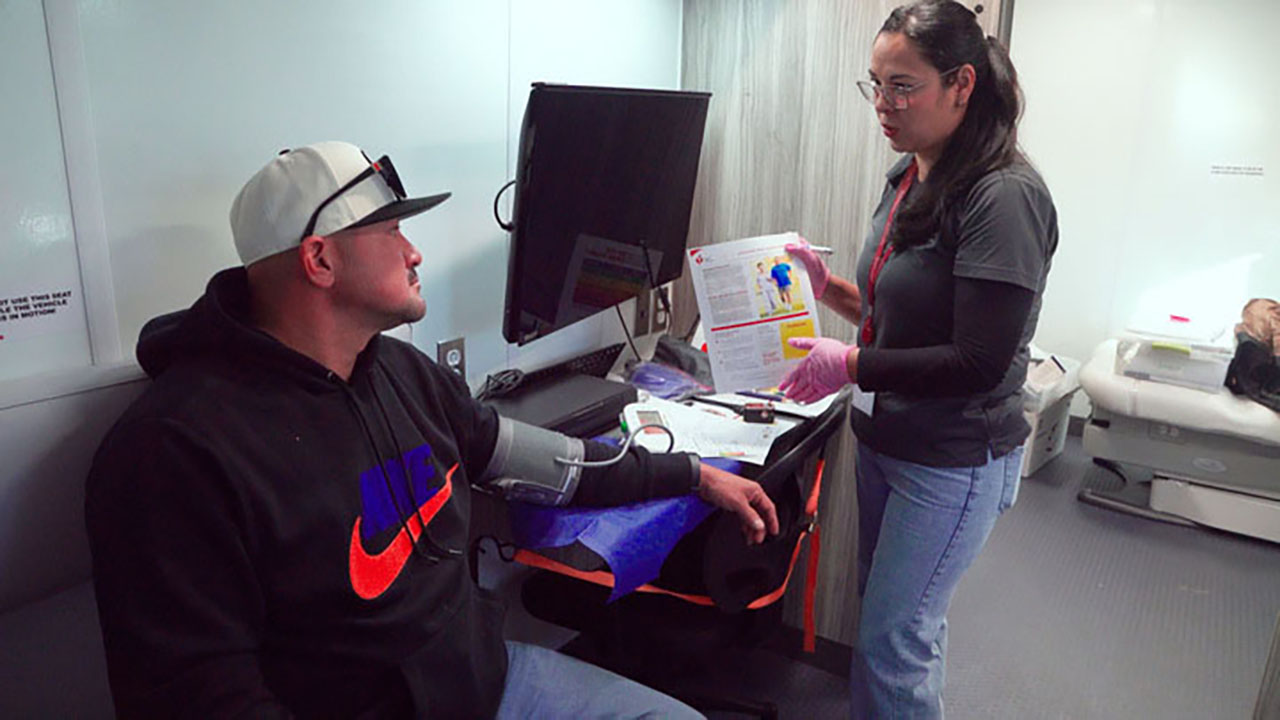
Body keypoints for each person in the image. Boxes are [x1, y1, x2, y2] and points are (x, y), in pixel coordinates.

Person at [84, 141, 779, 719]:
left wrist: (693, 475)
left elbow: (553, 465)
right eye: (390, 233)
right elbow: (199, 695)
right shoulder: (174, 450)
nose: (414, 252)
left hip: (488, 684)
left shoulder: (401, 373)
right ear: (319, 260)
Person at [778, 2, 1059, 717]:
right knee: (896, 625)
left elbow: (979, 361)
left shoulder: (1003, 195)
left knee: (891, 643)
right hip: (887, 440)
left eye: (903, 86)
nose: (883, 104)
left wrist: (848, 366)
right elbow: (896, 313)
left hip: (951, 457)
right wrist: (828, 288)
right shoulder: (911, 173)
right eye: (874, 83)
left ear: (962, 84)